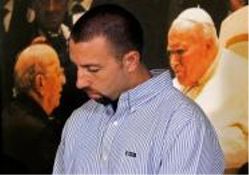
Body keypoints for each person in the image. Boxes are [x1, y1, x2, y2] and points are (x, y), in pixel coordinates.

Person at [53, 4, 224, 174]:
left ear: (131, 61)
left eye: (93, 69)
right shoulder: (78, 121)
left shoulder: (184, 124)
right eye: (77, 67)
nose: (79, 82)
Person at [167, 7, 247, 171]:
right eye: (171, 53)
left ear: (208, 46)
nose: (173, 62)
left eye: (180, 51)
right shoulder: (177, 84)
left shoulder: (242, 76)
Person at [2, 43, 65, 173]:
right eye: (58, 73)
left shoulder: (9, 113)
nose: (63, 80)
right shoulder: (38, 134)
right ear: (40, 82)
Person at [29, 0, 88, 123]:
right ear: (34, 4)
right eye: (43, 2)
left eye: (58, 1)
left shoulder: (77, 34)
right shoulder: (23, 43)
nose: (51, 8)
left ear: (67, 4)